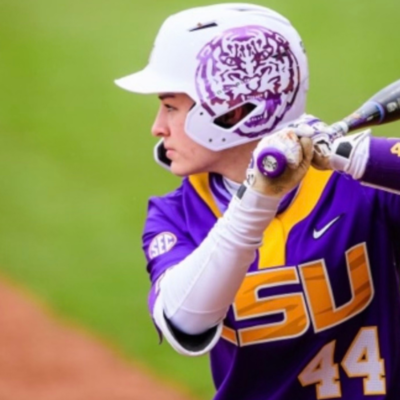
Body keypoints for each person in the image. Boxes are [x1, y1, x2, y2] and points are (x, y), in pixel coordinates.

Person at [115, 3, 400, 399]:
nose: (157, 127)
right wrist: (257, 197)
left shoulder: (361, 187)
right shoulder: (173, 215)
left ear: (233, 112)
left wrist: (347, 153)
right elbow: (184, 322)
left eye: (170, 107)